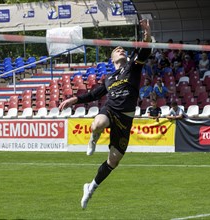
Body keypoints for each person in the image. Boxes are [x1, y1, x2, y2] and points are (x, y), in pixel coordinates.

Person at [58, 19, 151, 209]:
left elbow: (144, 51)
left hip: (125, 119)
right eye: (117, 50)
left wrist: (147, 33)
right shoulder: (109, 78)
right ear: (112, 59)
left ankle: (90, 187)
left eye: (122, 49)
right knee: (99, 122)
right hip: (110, 110)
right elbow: (93, 94)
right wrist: (73, 100)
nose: (121, 50)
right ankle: (93, 137)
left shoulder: (133, 67)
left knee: (114, 160)